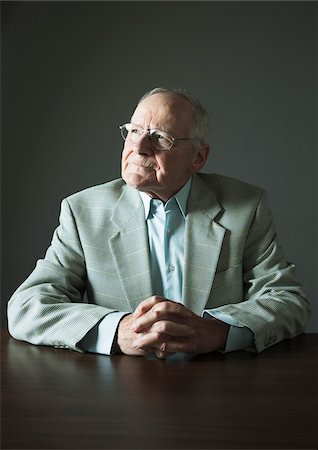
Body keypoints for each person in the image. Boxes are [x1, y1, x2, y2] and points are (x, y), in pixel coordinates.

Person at [7, 87, 311, 359]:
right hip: (115, 395)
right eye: (134, 130)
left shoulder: (244, 207)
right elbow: (27, 307)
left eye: (160, 138)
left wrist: (218, 331)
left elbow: (288, 301)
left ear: (198, 158)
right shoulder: (83, 211)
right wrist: (117, 331)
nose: (139, 148)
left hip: (217, 391)